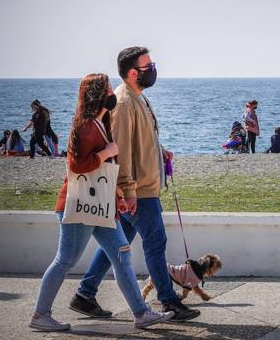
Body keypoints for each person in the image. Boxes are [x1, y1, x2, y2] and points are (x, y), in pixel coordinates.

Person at [29, 73, 173, 332]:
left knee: (121, 256)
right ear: (97, 94)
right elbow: (76, 166)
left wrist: (118, 197)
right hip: (78, 208)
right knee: (64, 261)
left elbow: (103, 172)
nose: (112, 93)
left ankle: (141, 314)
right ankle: (40, 315)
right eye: (107, 89)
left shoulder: (99, 124)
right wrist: (106, 152)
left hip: (100, 206)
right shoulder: (84, 127)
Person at [70, 47, 200, 322]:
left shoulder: (139, 99)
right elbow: (122, 151)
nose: (153, 68)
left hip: (143, 187)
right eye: (148, 65)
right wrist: (127, 191)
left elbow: (140, 140)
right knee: (156, 241)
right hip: (137, 191)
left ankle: (84, 294)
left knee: (118, 245)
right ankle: (169, 301)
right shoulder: (125, 103)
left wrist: (159, 150)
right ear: (132, 72)